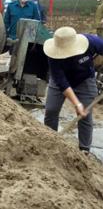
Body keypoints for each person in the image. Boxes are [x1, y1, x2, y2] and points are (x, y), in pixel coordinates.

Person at [43, 27, 102, 155]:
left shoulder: (92, 42)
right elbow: (62, 83)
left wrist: (81, 106)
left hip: (84, 79)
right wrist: (76, 103)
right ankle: (51, 142)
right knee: (51, 110)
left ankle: (84, 150)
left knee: (85, 115)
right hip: (61, 81)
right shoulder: (53, 56)